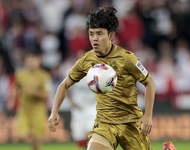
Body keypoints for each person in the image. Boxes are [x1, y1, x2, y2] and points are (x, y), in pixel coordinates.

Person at [48, 5, 155, 150]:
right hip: (104, 123)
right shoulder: (86, 60)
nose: (94, 39)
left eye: (99, 34)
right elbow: (65, 84)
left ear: (111, 35)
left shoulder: (127, 58)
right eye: (91, 34)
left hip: (130, 123)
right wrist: (54, 112)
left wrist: (147, 115)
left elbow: (149, 83)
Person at [9, 50, 52, 150]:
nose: (31, 63)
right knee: (21, 136)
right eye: (29, 60)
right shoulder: (20, 74)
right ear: (25, 61)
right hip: (24, 109)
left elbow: (47, 94)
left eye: (34, 60)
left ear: (39, 61)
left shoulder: (44, 76)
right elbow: (15, 87)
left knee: (37, 139)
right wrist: (11, 101)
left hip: (38, 110)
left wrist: (34, 92)